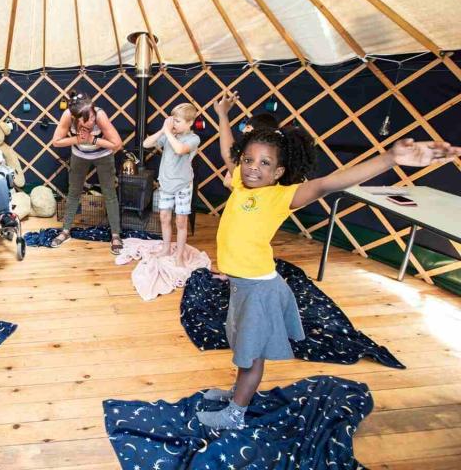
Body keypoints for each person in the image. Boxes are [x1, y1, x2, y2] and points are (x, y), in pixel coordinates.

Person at [197, 91, 461, 430]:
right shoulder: (240, 183)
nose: (252, 168)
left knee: (252, 355)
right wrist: (222, 114)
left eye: (264, 163)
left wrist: (390, 159)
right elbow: (226, 151)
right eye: (248, 160)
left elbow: (327, 184)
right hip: (241, 285)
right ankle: (237, 393)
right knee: (243, 345)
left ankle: (235, 414)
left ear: (279, 172)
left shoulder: (280, 196)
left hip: (260, 290)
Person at [50, 90, 124, 254]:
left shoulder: (99, 115)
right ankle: (65, 231)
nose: (91, 120)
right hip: (79, 155)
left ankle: (116, 234)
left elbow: (117, 144)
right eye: (87, 119)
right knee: (74, 192)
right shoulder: (68, 115)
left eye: (91, 116)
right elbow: (56, 141)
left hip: (103, 155)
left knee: (109, 193)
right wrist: (78, 139)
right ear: (76, 119)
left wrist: (93, 139)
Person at [142, 103, 200, 267]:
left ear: (189, 122)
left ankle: (179, 256)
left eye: (178, 121)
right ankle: (166, 248)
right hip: (165, 183)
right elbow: (146, 144)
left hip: (182, 185)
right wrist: (163, 130)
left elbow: (180, 149)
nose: (174, 124)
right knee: (164, 217)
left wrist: (168, 132)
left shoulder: (193, 138)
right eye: (173, 120)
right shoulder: (168, 135)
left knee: (181, 222)